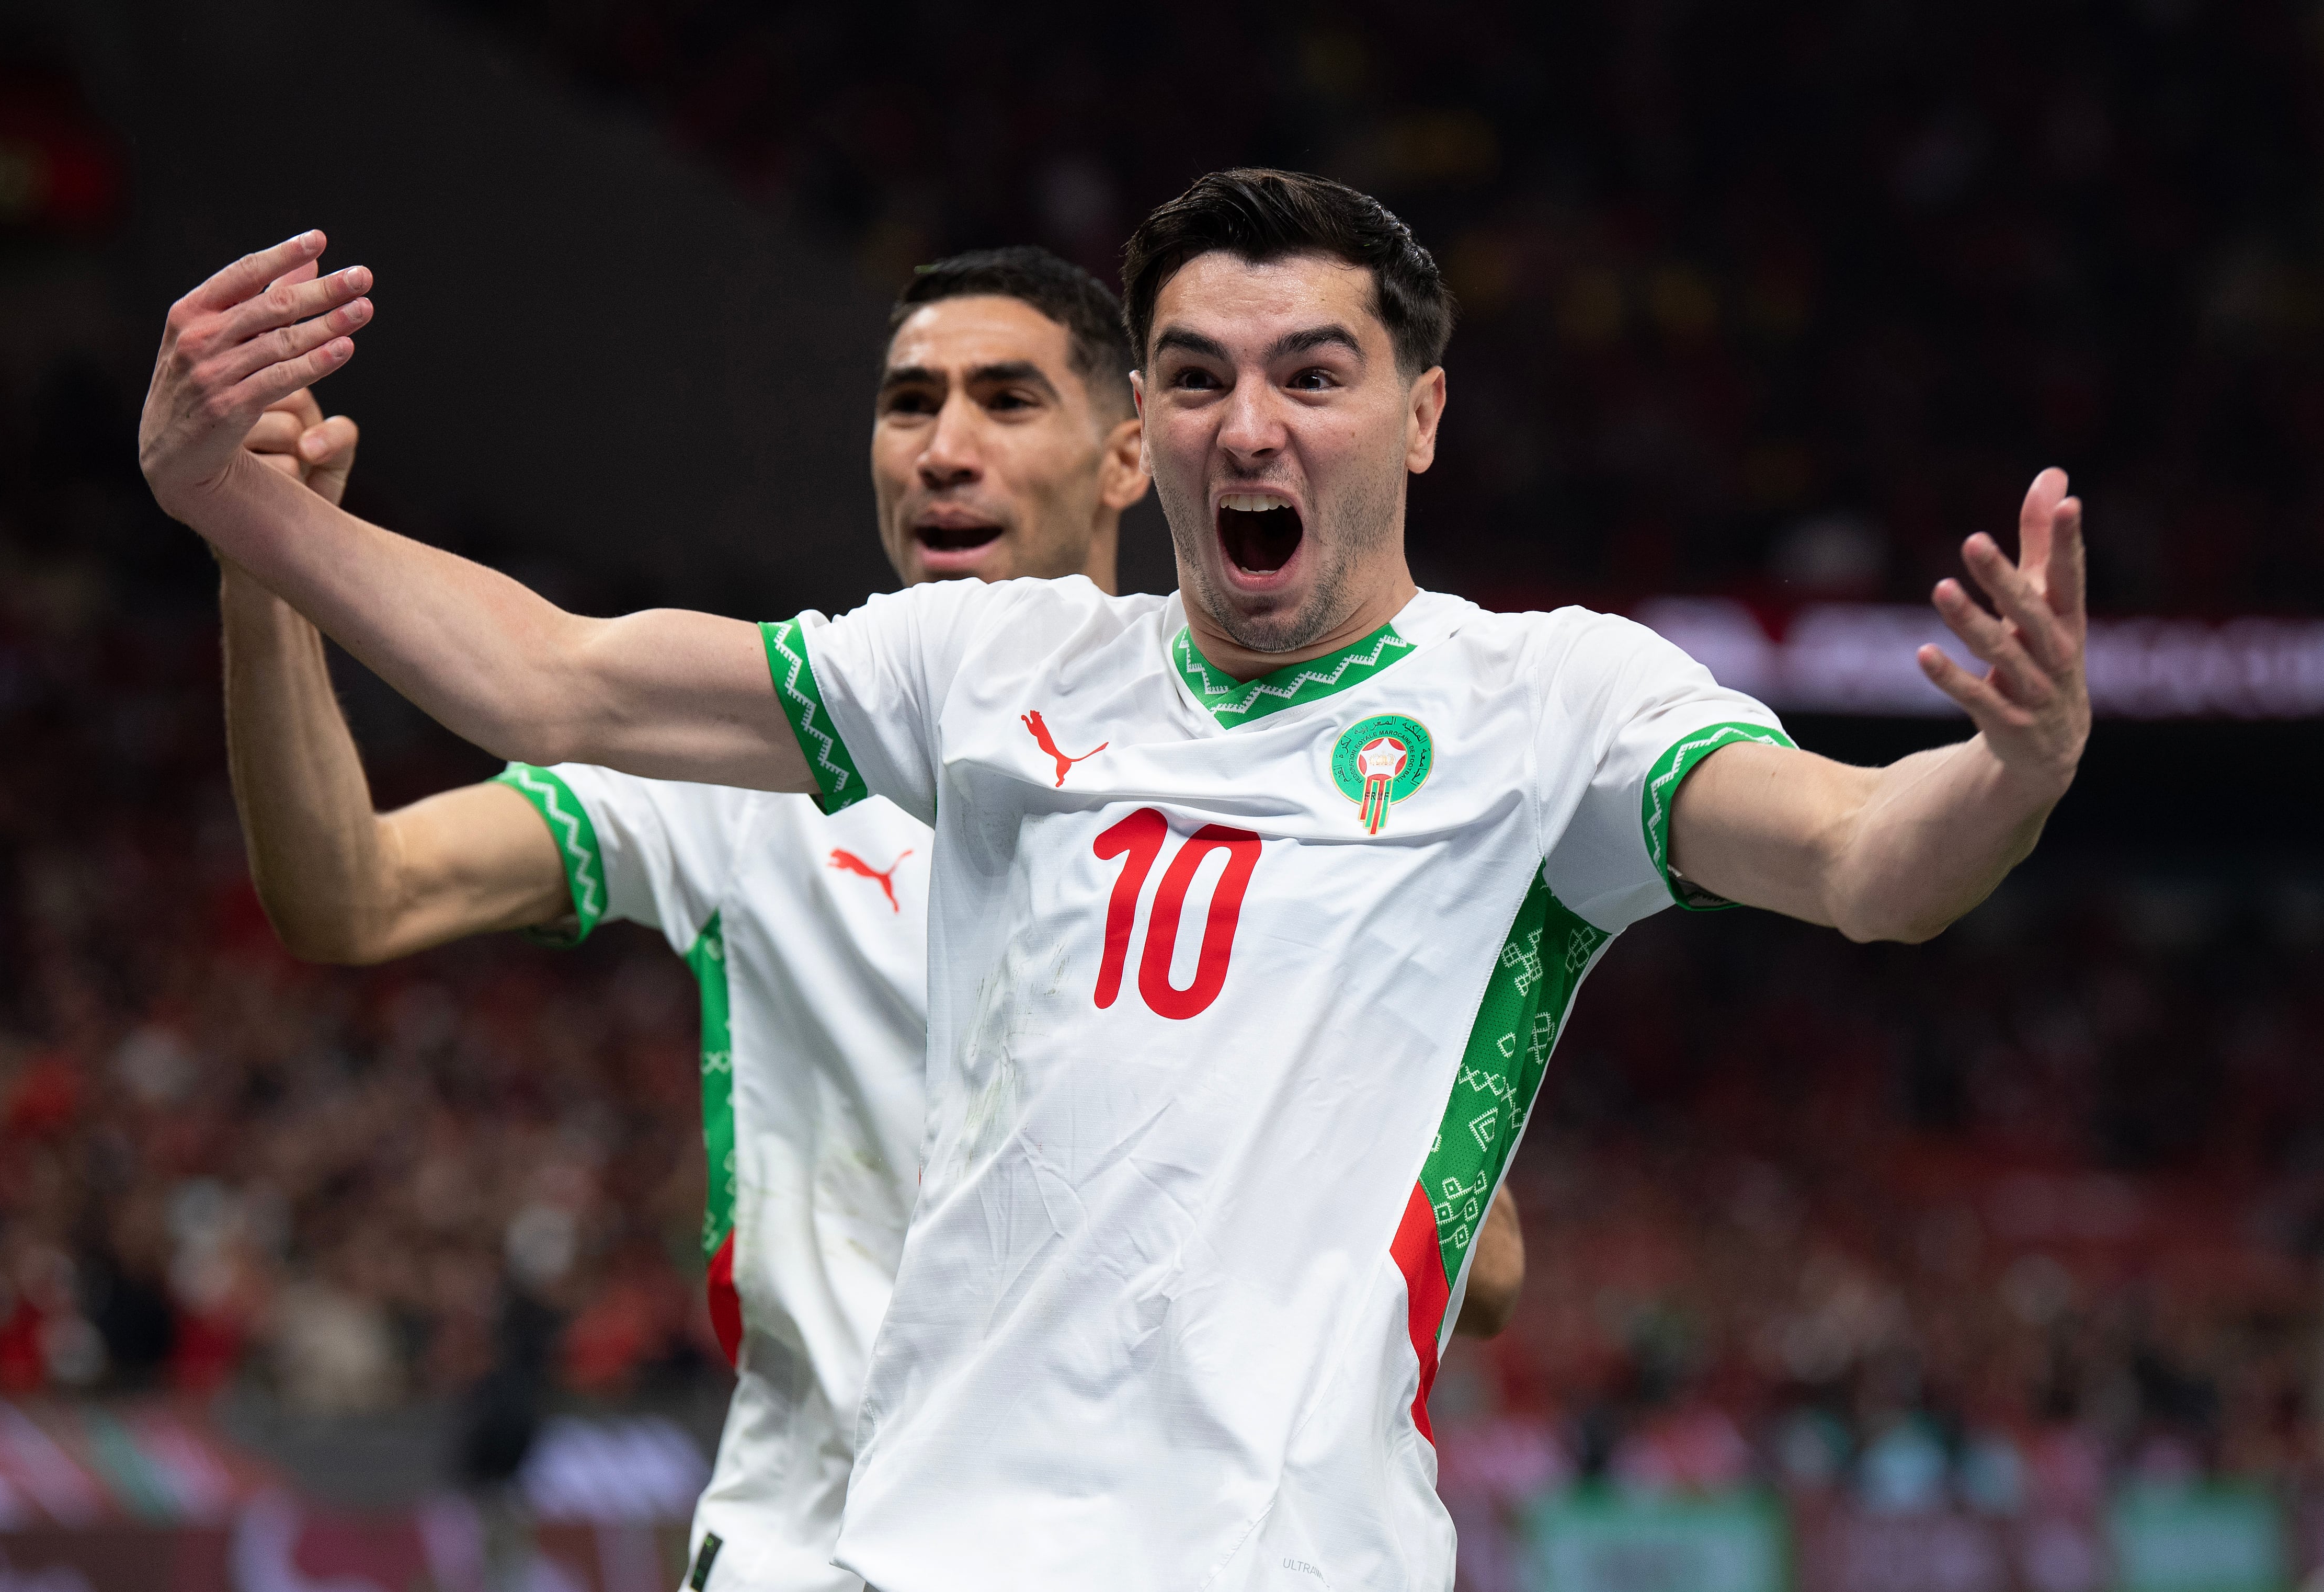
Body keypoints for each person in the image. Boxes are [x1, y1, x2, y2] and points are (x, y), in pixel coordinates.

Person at [140, 169, 2086, 1588]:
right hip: (910, 1555)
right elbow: (551, 677)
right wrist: (237, 506)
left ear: (1420, 414)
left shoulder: (1549, 705)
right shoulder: (992, 669)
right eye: (1198, 375)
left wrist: (2007, 766)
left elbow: (1863, 862)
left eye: (1312, 374)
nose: (1251, 424)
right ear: (1148, 430)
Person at [207, 239, 1531, 1591]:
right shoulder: (736, 759)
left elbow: (1480, 1274)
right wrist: (264, 572)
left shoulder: (1277, 785)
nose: (944, 450)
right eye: (910, 404)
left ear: (1130, 453)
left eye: (1006, 401)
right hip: (814, 1555)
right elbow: (351, 895)